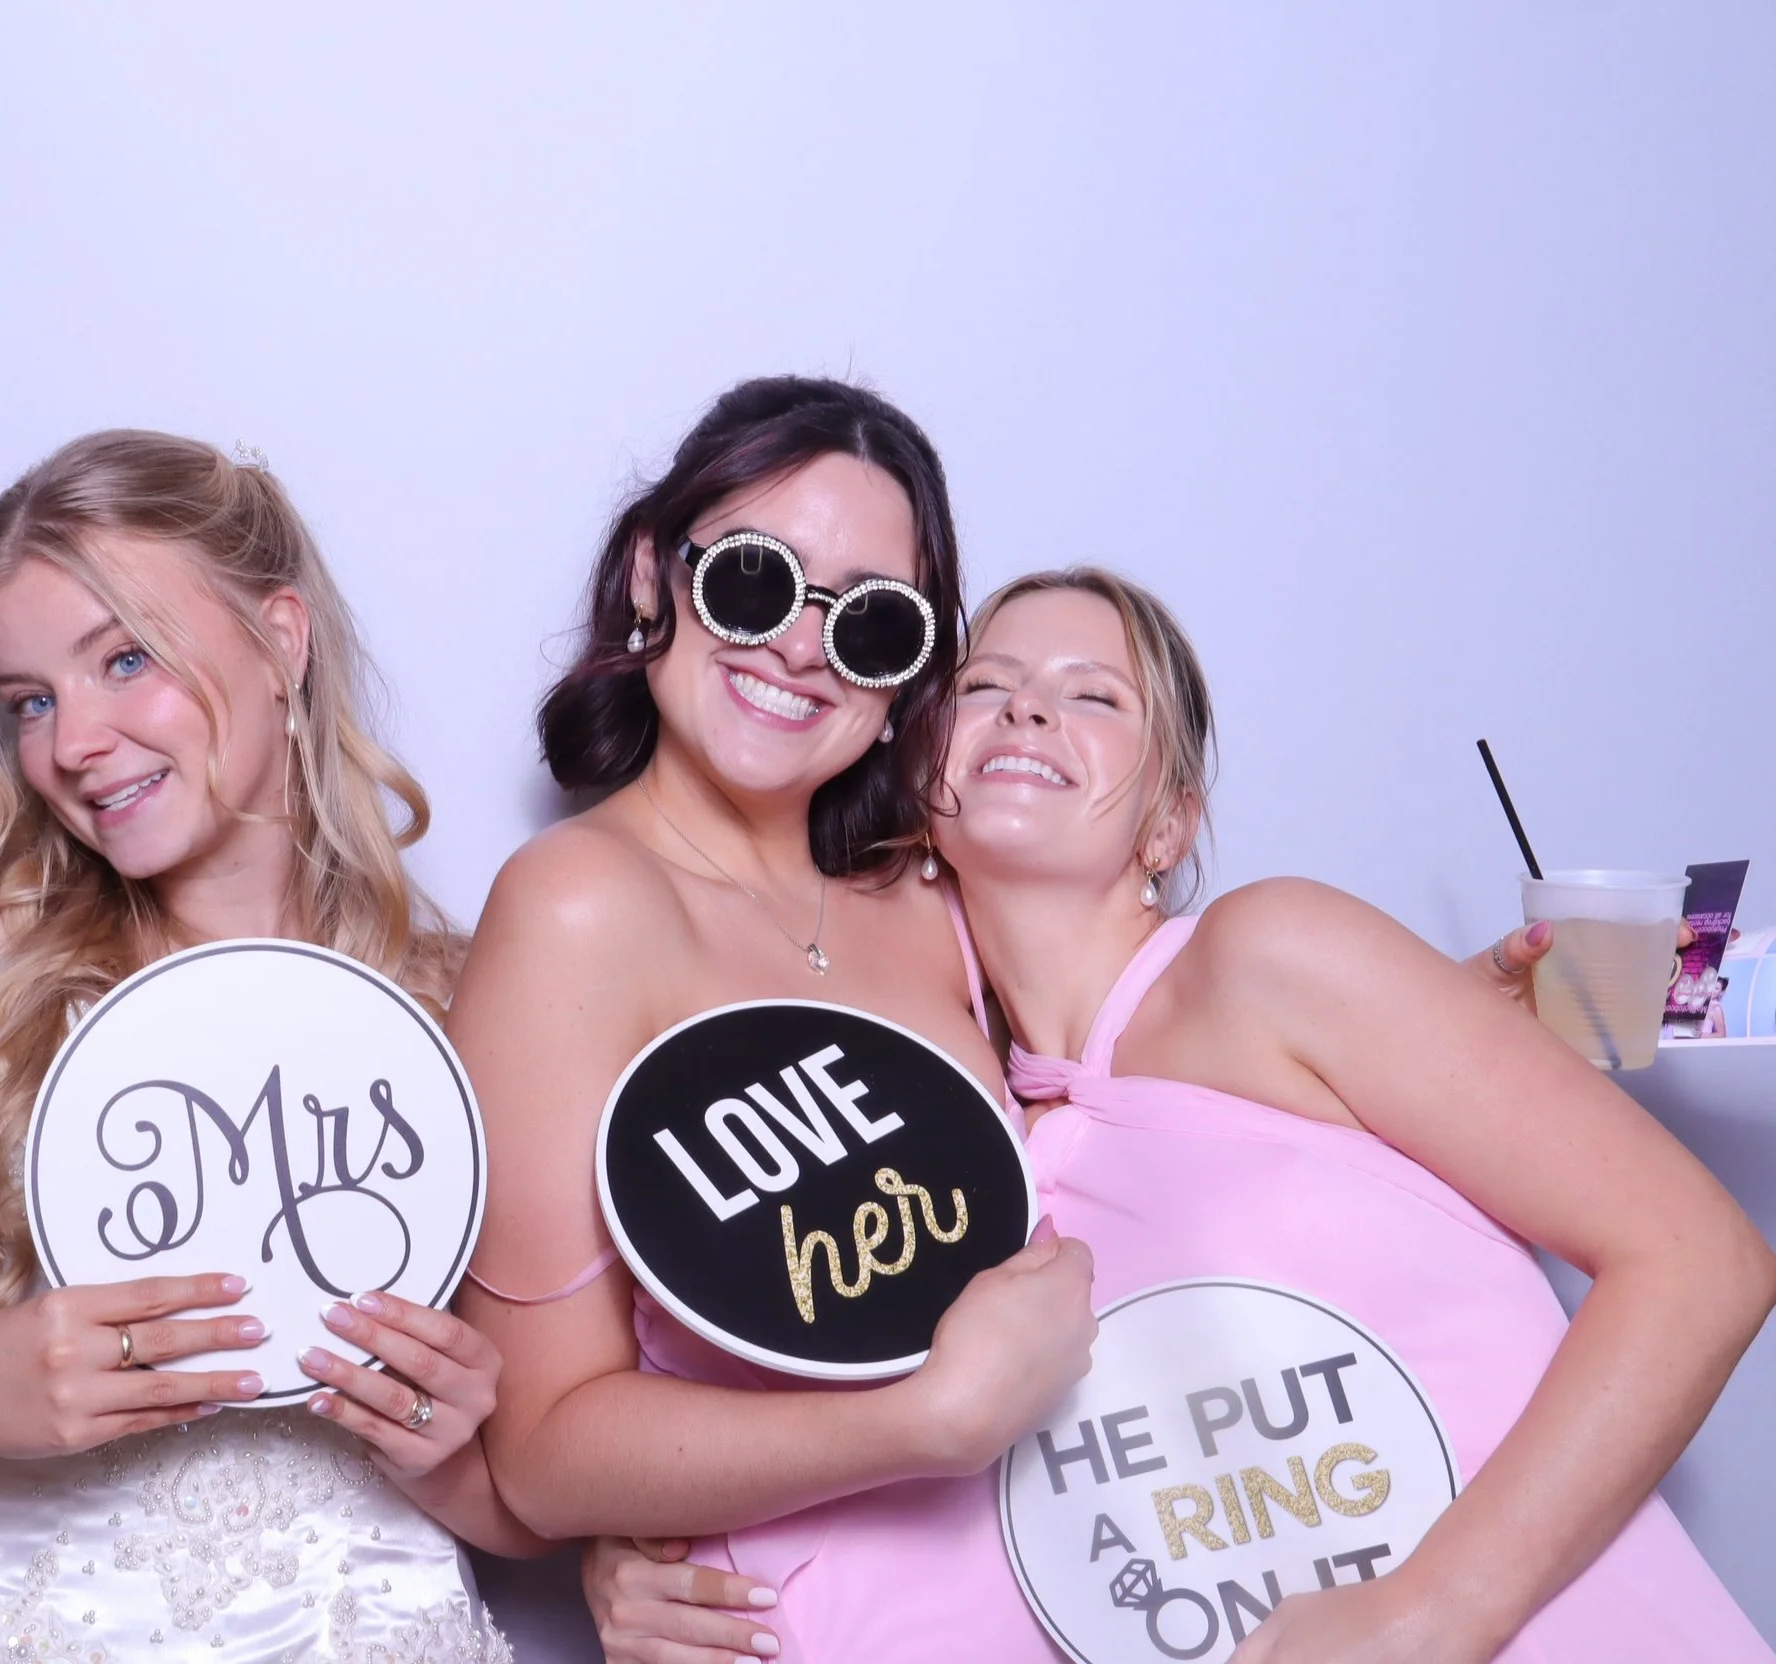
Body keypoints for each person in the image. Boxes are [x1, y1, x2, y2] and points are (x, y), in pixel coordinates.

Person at [921, 567, 1774, 1660]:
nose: (1027, 708)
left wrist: (1435, 1609)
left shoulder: (1270, 951)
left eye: (1093, 695)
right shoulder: (964, 1145)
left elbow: (1700, 1259)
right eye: (983, 685)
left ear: (1168, 825)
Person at [0, 430, 529, 1664]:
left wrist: (443, 1451)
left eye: (125, 658)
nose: (71, 742)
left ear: (281, 639)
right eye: (29, 700)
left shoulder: (460, 1005)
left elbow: (532, 1506)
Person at [450, 375, 1104, 1664]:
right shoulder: (578, 905)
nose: (803, 649)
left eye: (870, 622)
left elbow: (1128, 1095)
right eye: (754, 582)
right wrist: (920, 1421)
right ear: (653, 573)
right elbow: (540, 1445)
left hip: (1071, 1586)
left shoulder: (935, 895)